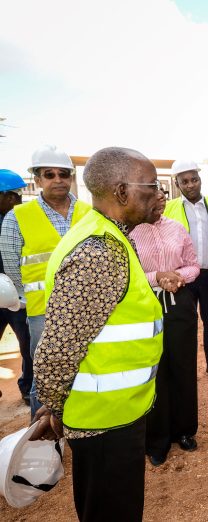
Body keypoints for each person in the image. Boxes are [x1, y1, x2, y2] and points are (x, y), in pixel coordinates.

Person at [30, 147, 164, 522]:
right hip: (103, 424)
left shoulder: (111, 236)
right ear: (122, 192)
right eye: (151, 187)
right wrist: (55, 407)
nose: (159, 196)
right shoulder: (99, 251)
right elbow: (57, 350)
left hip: (117, 415)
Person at [0, 145, 90, 417]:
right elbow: (12, 264)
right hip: (43, 311)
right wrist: (29, 296)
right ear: (37, 180)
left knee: (84, 370)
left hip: (87, 308)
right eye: (49, 174)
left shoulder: (89, 213)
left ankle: (79, 426)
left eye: (63, 174)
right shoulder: (17, 218)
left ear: (71, 178)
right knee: (45, 376)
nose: (58, 180)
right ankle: (44, 442)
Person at [130, 191, 200, 466]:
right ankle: (157, 440)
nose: (158, 201)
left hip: (179, 302)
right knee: (155, 371)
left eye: (161, 195)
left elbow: (193, 265)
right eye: (151, 196)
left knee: (183, 367)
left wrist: (177, 276)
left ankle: (184, 431)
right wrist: (156, 277)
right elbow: (130, 272)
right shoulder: (131, 232)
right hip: (147, 304)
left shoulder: (177, 228)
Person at [164, 160, 208, 383]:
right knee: (185, 326)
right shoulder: (169, 209)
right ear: (177, 184)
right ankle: (185, 371)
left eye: (194, 179)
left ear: (200, 179)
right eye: (185, 181)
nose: (190, 185)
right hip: (183, 277)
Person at [0, 169, 32, 403]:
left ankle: (28, 386)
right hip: (5, 293)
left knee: (29, 345)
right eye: (15, 196)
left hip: (17, 295)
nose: (18, 201)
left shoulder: (20, 220)